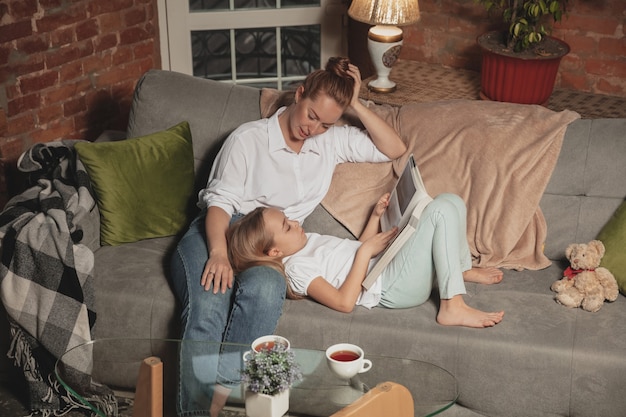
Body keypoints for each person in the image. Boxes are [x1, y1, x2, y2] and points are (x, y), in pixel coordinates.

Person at [169, 57, 406, 417]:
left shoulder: (329, 142)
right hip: (223, 226)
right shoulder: (249, 139)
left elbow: (396, 149)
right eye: (312, 115)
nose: (313, 128)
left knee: (266, 289)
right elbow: (219, 203)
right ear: (299, 94)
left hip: (272, 245)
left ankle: (215, 404)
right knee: (210, 302)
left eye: (326, 123)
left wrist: (354, 102)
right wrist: (218, 252)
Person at [227, 192, 505, 329]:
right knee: (440, 211)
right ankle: (452, 306)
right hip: (390, 287)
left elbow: (351, 251)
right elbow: (344, 302)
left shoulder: (305, 240)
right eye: (287, 226)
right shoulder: (297, 268)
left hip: (386, 266)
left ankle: (458, 270)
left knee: (451, 200)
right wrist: (365, 252)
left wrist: (374, 218)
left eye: (288, 219)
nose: (296, 222)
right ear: (274, 253)